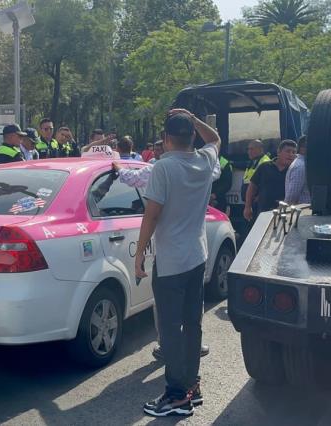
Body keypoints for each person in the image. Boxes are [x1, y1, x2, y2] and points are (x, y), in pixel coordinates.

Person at [135, 109, 220, 417]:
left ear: (166, 139)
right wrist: (194, 117)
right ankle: (191, 386)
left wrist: (139, 254)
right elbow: (216, 138)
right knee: (193, 324)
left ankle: (175, 395)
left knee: (171, 329)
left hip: (171, 262)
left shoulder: (163, 167)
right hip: (197, 256)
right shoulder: (205, 160)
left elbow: (152, 214)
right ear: (193, 136)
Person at [244, 140, 297, 222]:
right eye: (288, 151)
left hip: (284, 214)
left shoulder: (294, 171)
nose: (291, 155)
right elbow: (252, 187)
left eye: (294, 152)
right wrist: (248, 207)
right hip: (263, 213)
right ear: (278, 152)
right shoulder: (265, 167)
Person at [285, 135, 310, 205]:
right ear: (302, 148)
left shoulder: (303, 164)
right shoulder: (300, 166)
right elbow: (291, 198)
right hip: (300, 212)